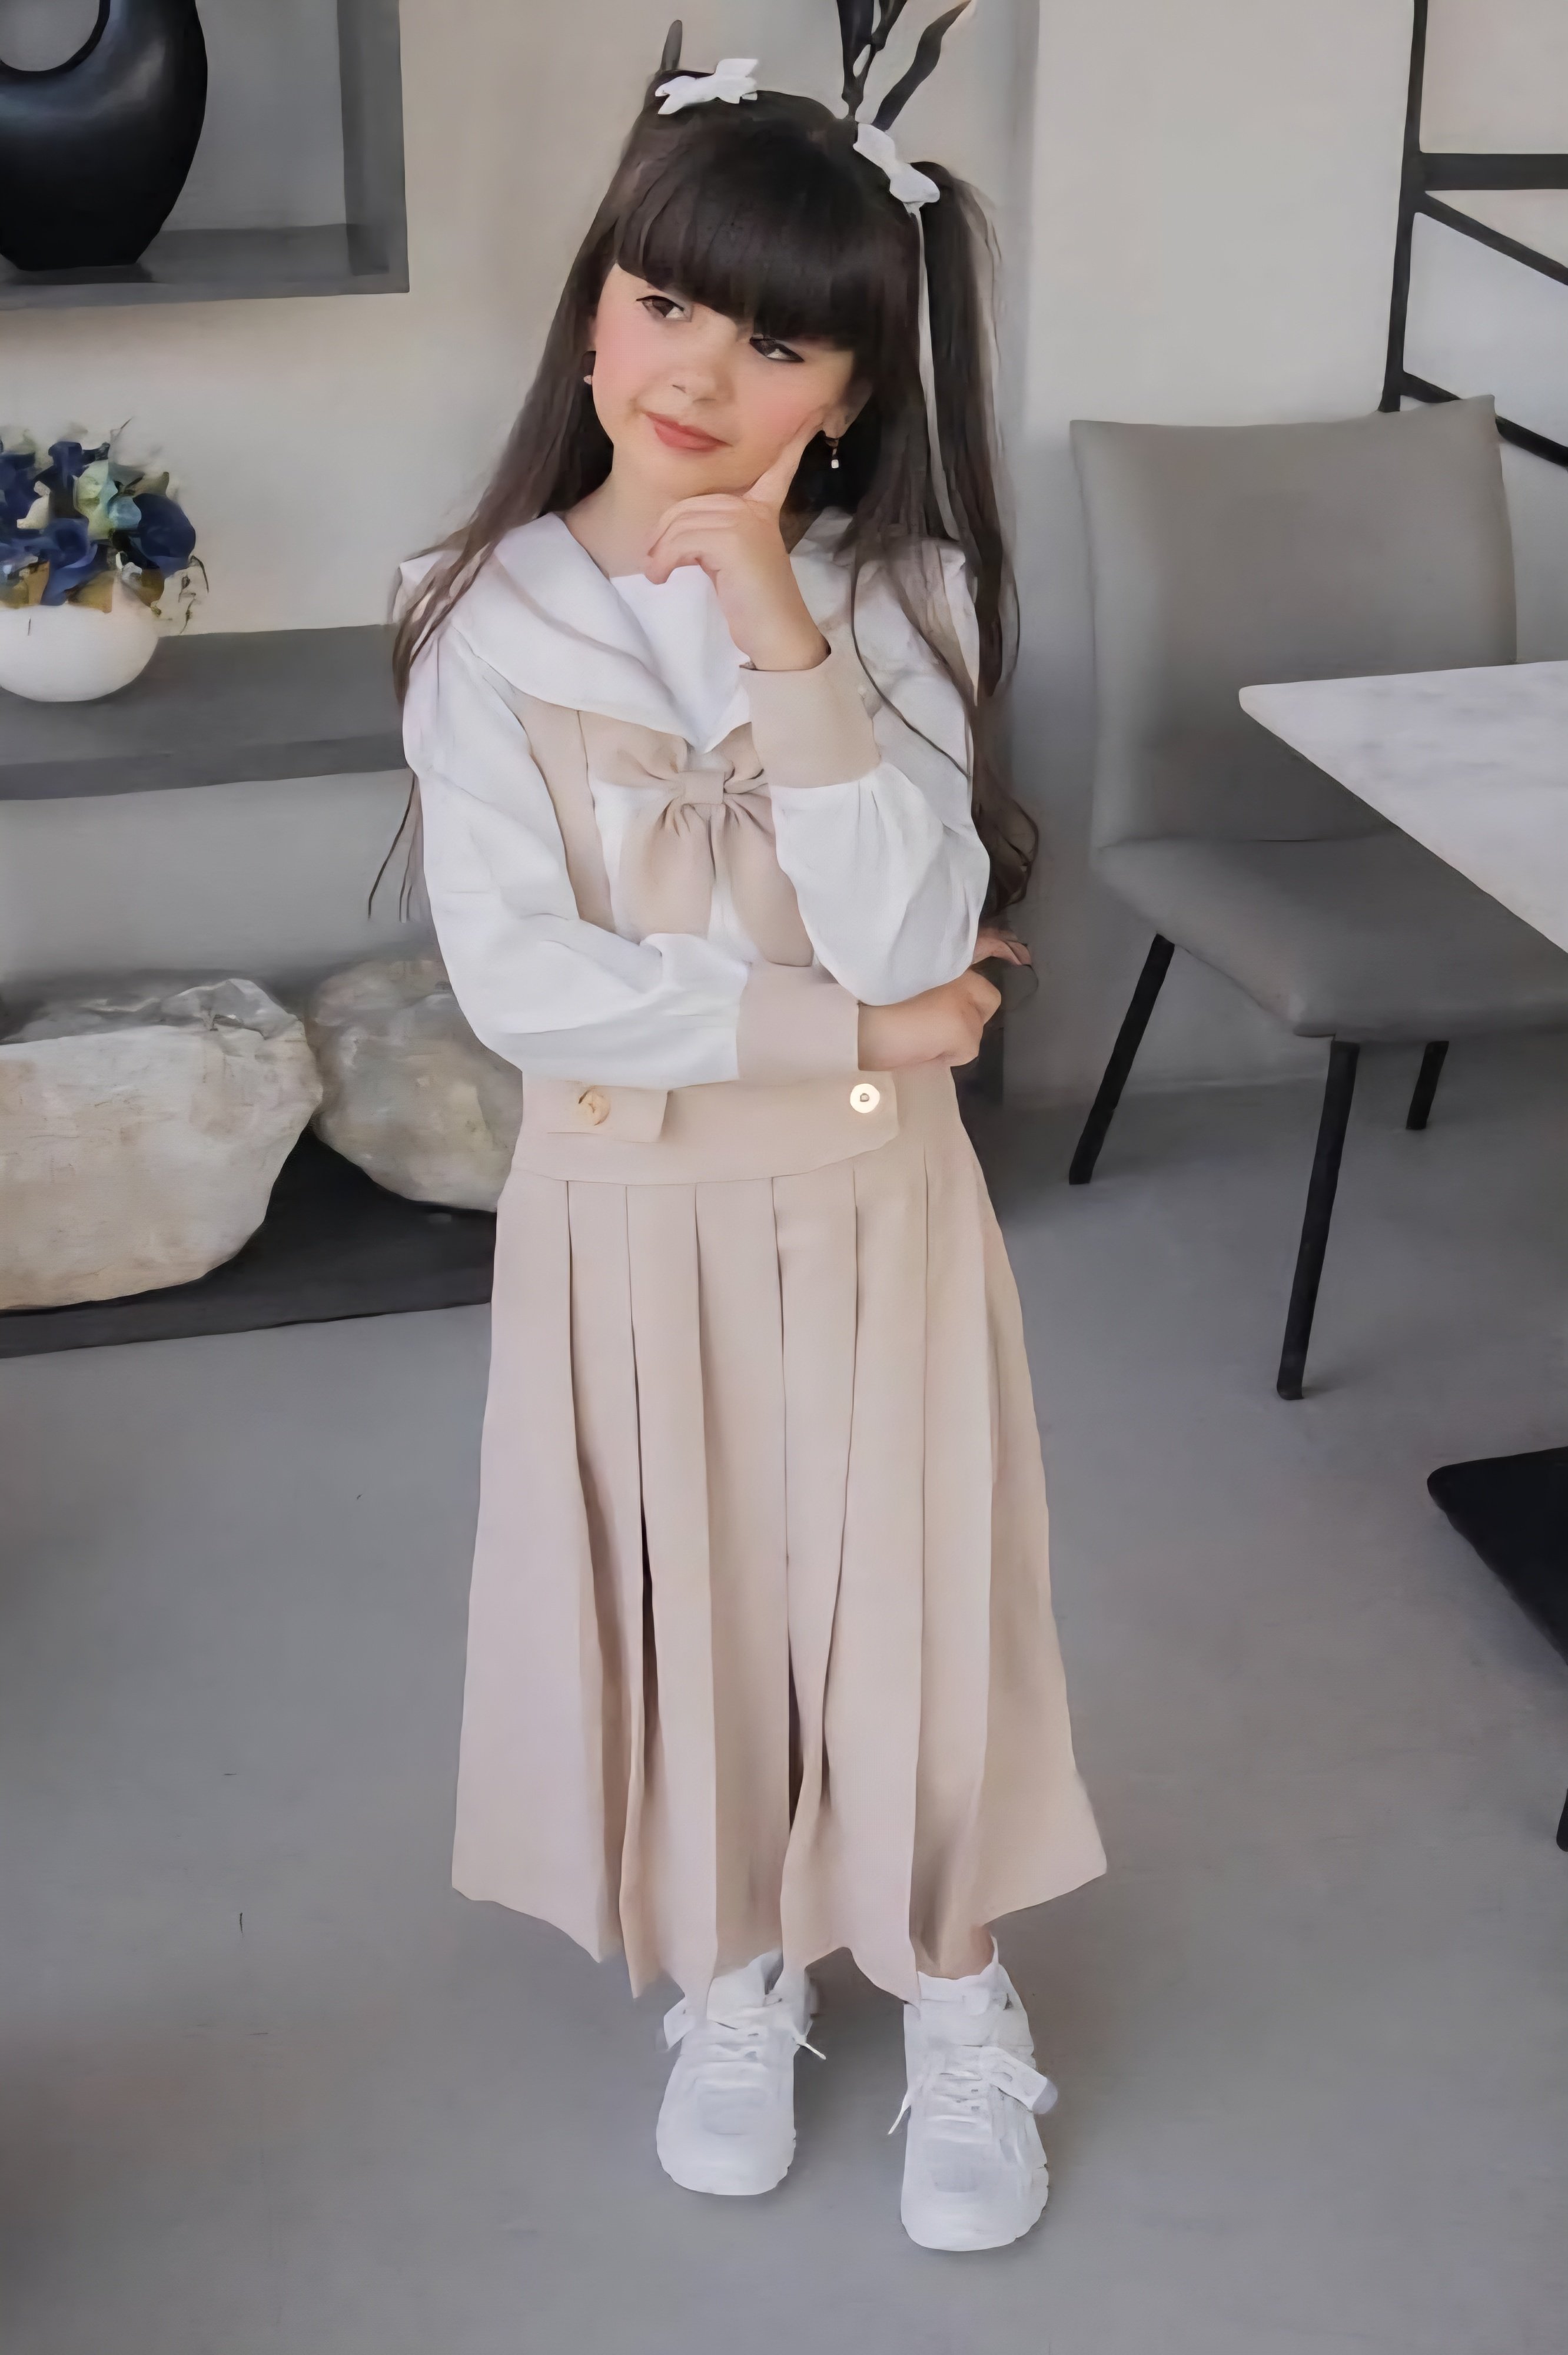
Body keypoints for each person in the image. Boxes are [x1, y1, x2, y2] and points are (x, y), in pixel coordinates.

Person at [395, 18, 1104, 2254]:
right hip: (626, 1214)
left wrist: (781, 622)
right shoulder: (481, 620)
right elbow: (525, 986)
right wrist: (847, 1027)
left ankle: (958, 1982)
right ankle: (736, 1968)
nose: (698, 369)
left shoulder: (903, 604)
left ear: (855, 394)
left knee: (908, 1593)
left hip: (878, 1208)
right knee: (687, 1585)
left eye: (778, 341)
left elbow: (908, 907)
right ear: (597, 307)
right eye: (664, 301)